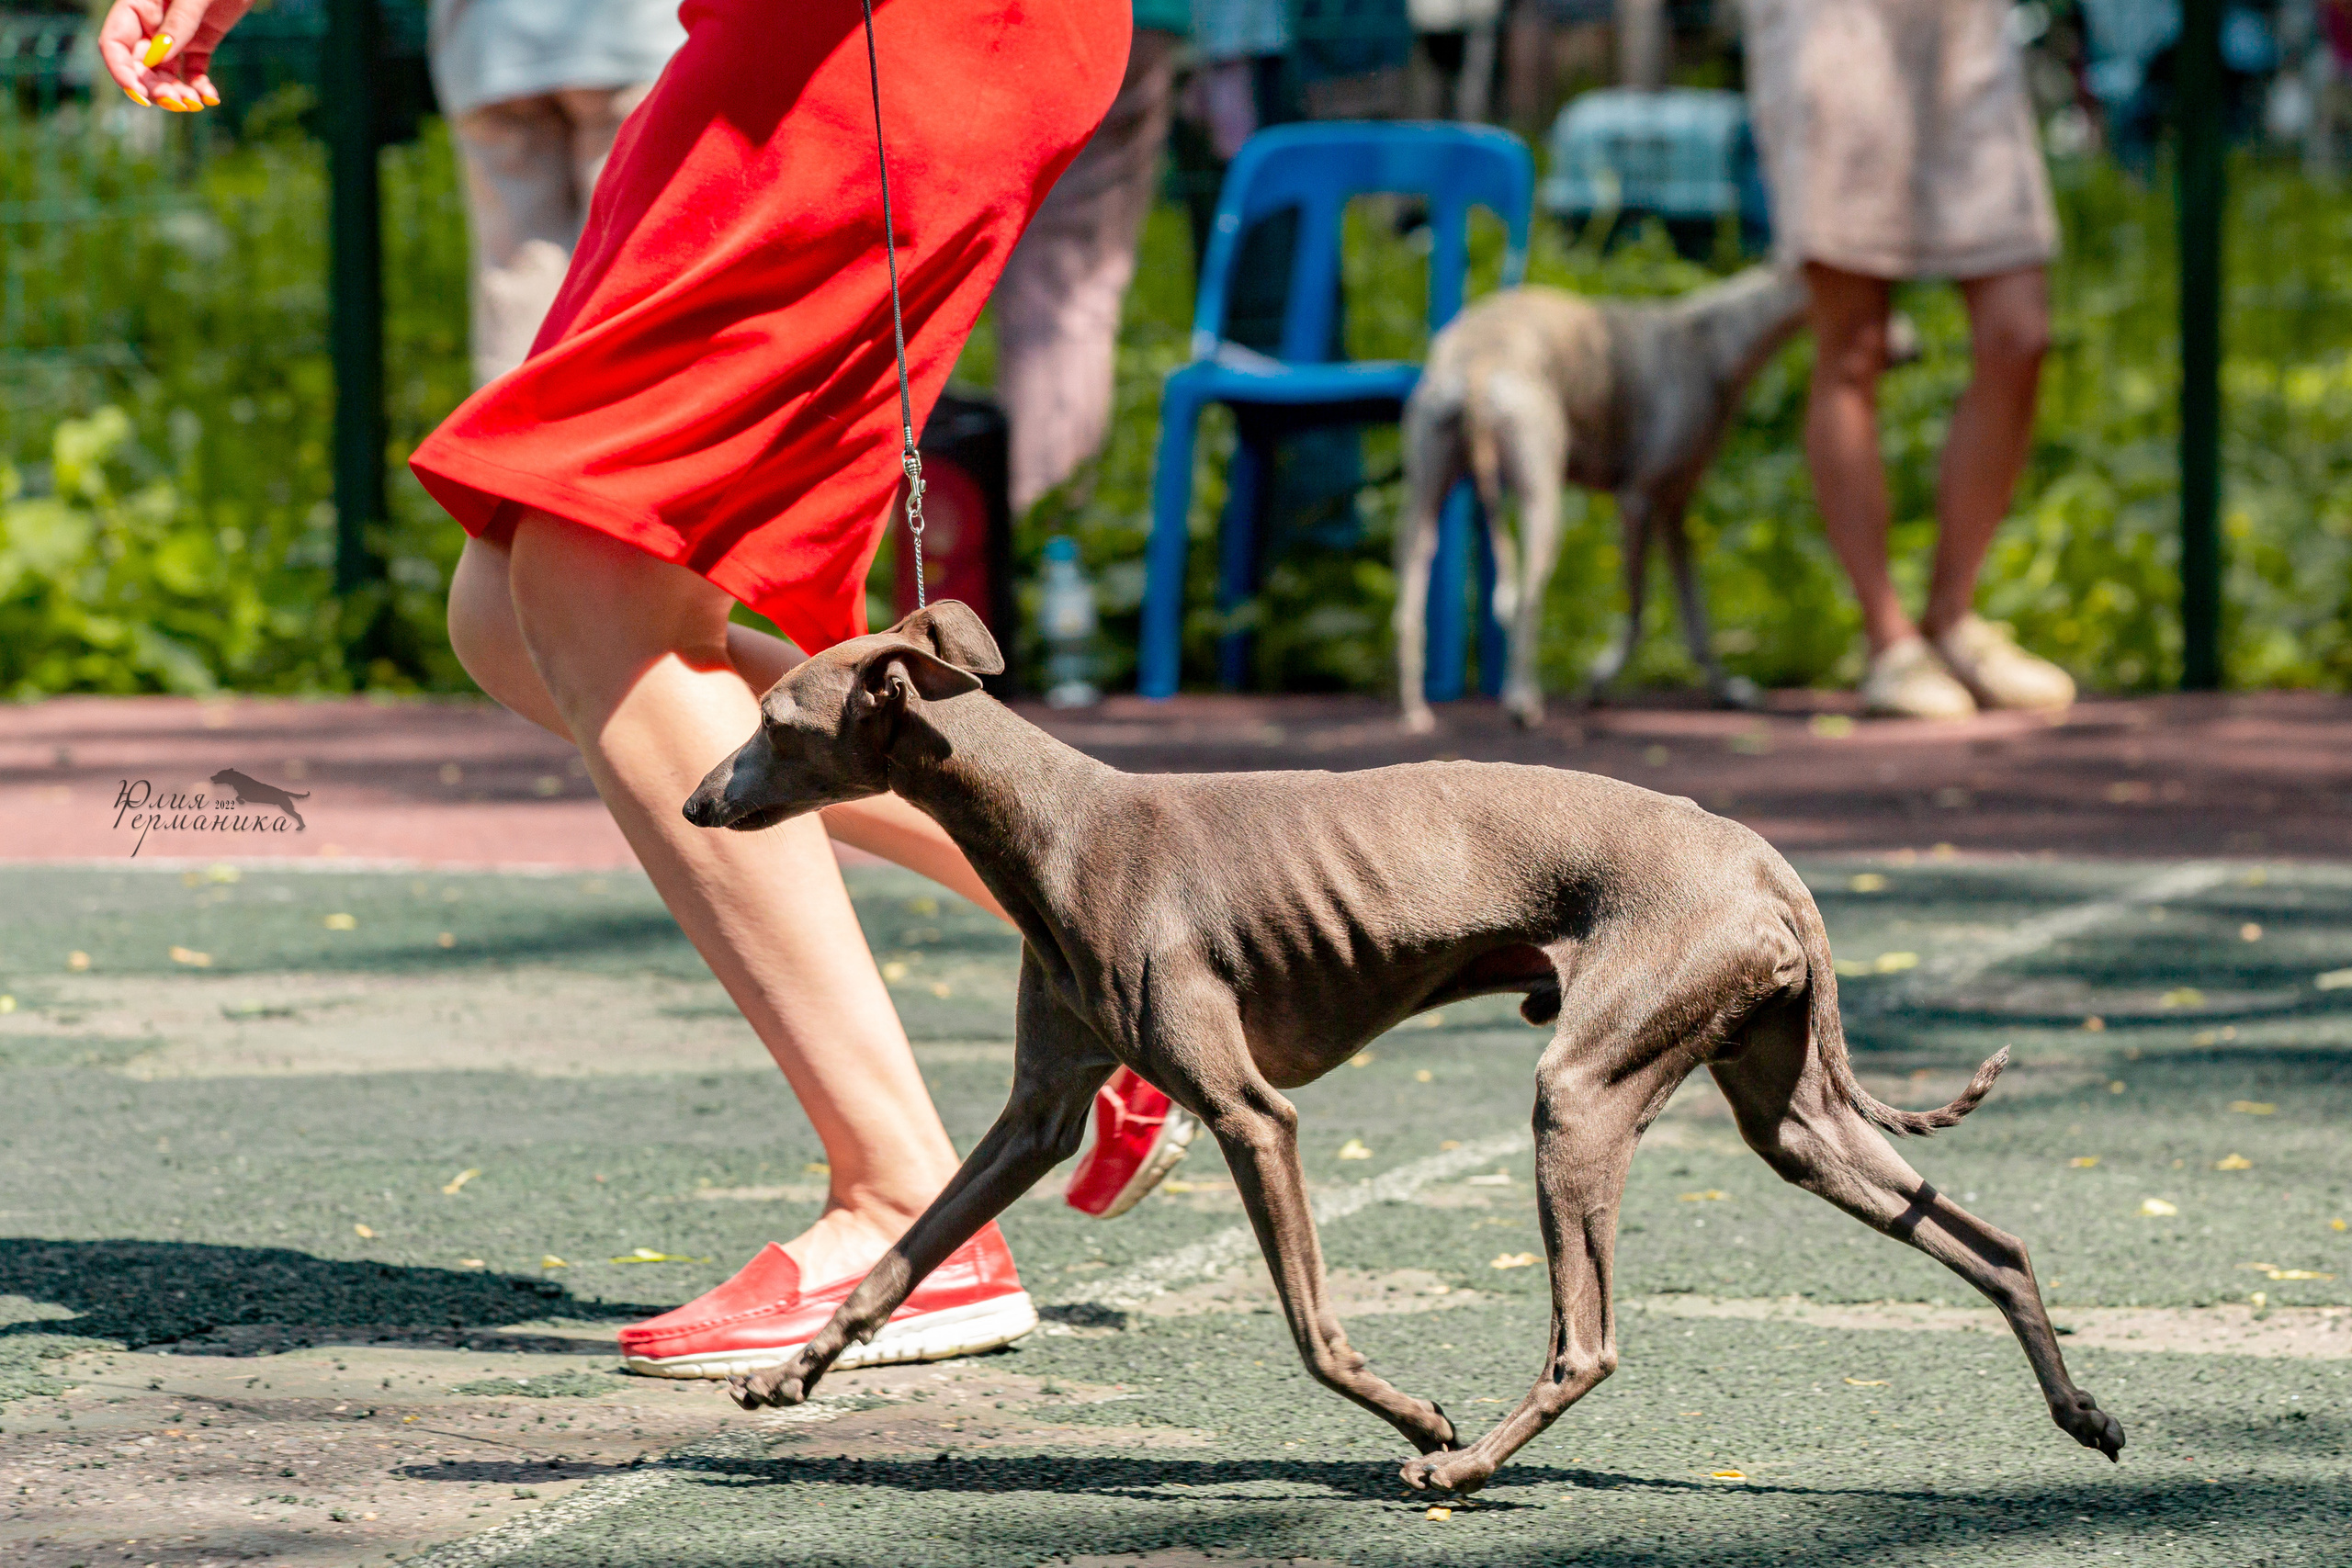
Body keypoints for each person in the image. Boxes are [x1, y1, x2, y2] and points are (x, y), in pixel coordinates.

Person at [102, 0, 1193, 1380]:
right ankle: (1138, 932)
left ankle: (908, 1209)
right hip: (803, 45)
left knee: (601, 588)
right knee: (517, 611)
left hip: (879, 43)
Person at [1742, 0, 2079, 719]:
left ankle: (1952, 618)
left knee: (2020, 333)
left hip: (1965, 34)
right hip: (1835, 27)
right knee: (1855, 343)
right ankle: (1889, 639)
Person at [427, 0, 686, 387]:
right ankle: (630, 414)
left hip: (488, 45)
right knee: (625, 260)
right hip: (629, 41)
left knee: (520, 276)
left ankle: (514, 418)